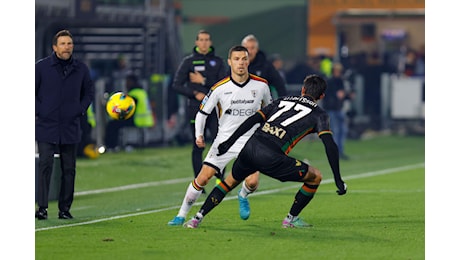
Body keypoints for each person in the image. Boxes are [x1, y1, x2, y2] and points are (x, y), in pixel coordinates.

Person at [183, 74, 347, 229]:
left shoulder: (283, 100)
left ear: (302, 90)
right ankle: (290, 219)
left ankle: (196, 218)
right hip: (272, 157)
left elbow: (253, 119)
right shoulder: (320, 115)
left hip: (250, 146)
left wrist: (229, 142)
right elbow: (330, 145)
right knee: (315, 176)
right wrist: (338, 179)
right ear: (322, 96)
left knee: (228, 183)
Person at [167, 45, 273, 226]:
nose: (241, 63)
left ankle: (243, 195)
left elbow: (269, 111)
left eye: (244, 59)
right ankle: (181, 215)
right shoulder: (219, 88)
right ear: (230, 62)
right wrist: (198, 135)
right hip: (224, 142)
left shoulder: (261, 85)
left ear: (248, 61)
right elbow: (202, 112)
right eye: (237, 59)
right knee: (202, 178)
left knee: (253, 182)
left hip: (251, 142)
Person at [35, 29, 95, 220]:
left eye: (69, 43)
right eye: (63, 44)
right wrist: (40, 111)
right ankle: (42, 208)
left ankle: (64, 209)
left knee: (69, 169)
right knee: (45, 166)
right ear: (55, 47)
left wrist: (80, 109)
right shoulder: (41, 67)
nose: (67, 47)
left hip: (70, 125)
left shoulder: (81, 69)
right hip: (47, 125)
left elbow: (89, 93)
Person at [172, 29, 228, 181]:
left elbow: (224, 84)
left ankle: (220, 179)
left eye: (206, 40)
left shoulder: (218, 62)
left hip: (215, 110)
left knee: (220, 144)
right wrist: (194, 93)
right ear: (196, 42)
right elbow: (176, 85)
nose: (204, 43)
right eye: (201, 40)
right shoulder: (188, 62)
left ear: (210, 42)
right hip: (196, 109)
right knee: (198, 145)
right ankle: (199, 181)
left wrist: (203, 82)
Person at [105, 74, 154, 151]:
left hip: (137, 120)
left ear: (132, 82)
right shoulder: (141, 92)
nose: (126, 84)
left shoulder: (134, 94)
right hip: (146, 120)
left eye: (128, 82)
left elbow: (129, 109)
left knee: (112, 125)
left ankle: (111, 146)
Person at [322, 62, 354, 160]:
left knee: (342, 130)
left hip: (339, 108)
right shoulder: (329, 81)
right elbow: (327, 95)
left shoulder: (341, 81)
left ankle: (340, 151)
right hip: (331, 109)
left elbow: (343, 94)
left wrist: (348, 96)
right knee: (335, 131)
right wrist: (337, 95)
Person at [241, 34, 287, 99]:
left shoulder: (265, 66)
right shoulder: (235, 65)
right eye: (247, 48)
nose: (249, 51)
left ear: (257, 49)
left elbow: (280, 85)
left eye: (252, 48)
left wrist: (282, 103)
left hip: (262, 104)